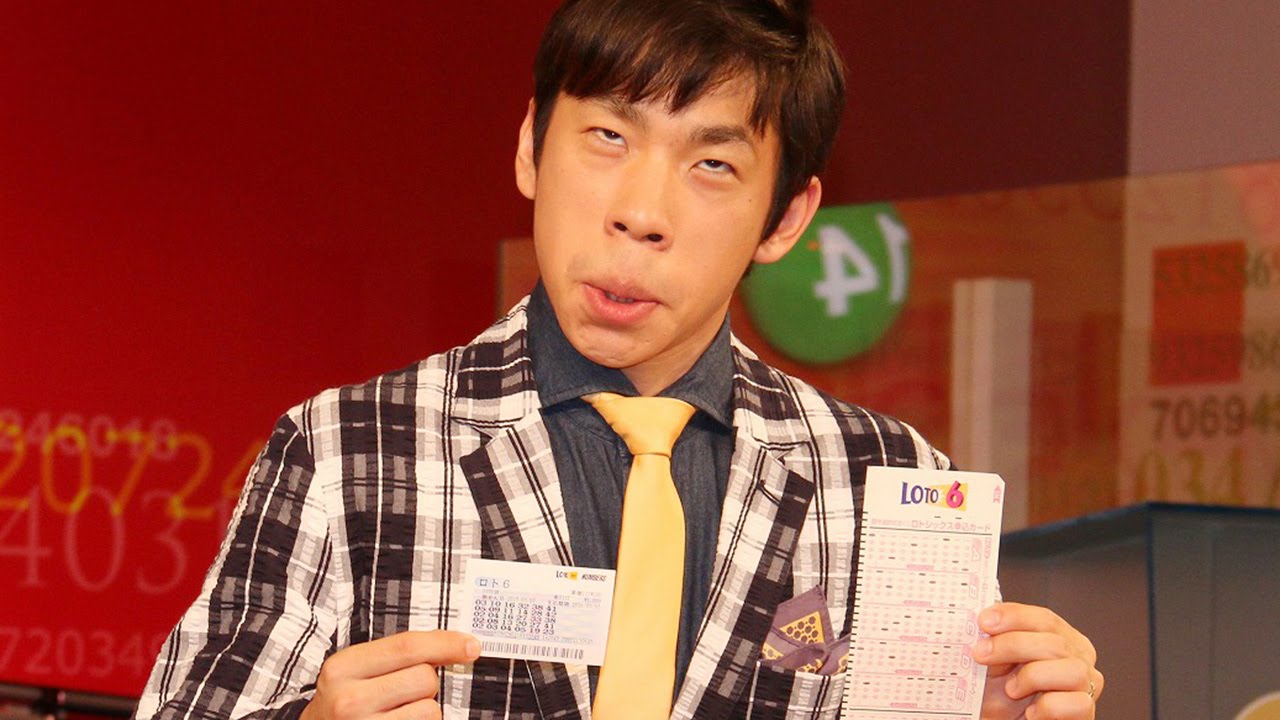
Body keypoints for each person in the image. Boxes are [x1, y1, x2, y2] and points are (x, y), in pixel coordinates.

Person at [135, 1, 1103, 718]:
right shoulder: (352, 448)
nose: (641, 212)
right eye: (606, 136)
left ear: (785, 218)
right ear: (530, 145)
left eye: (712, 164)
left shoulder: (883, 482)